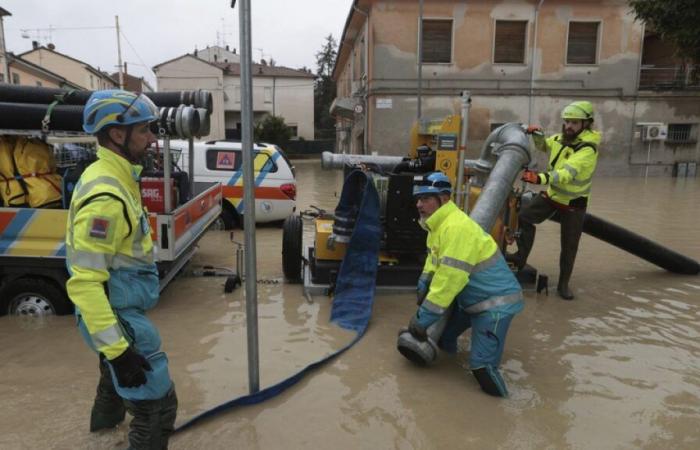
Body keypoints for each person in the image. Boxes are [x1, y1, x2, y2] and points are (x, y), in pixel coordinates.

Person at [65, 90, 177, 448]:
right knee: (157, 409)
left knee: (115, 385)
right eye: (144, 130)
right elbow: (84, 284)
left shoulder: (111, 175)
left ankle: (100, 434)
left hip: (115, 314)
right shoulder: (107, 198)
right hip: (117, 318)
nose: (152, 138)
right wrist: (120, 351)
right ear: (117, 134)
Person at [404, 172, 523, 397]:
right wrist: (424, 281)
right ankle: (447, 390)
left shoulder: (456, 228)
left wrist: (423, 318)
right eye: (418, 199)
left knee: (481, 368)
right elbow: (434, 259)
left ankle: (503, 412)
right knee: (445, 338)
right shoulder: (436, 225)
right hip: (471, 301)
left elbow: (449, 279)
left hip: (495, 306)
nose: (419, 204)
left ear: (445, 198)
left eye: (426, 199)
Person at [512, 100, 601, 300]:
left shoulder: (587, 150)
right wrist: (537, 135)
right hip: (552, 196)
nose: (569, 126)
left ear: (586, 124)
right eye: (567, 122)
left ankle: (563, 285)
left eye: (574, 123)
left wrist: (539, 178)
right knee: (524, 217)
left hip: (573, 204)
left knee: (569, 246)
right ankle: (520, 257)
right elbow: (544, 146)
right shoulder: (561, 139)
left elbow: (565, 174)